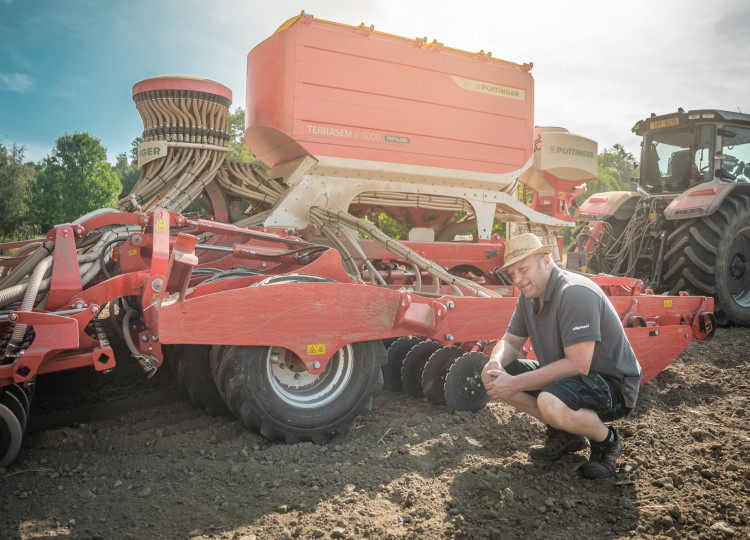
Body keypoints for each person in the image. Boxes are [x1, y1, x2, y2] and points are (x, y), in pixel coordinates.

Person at [482, 233, 641, 479]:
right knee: (493, 375)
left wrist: (514, 384)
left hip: (611, 385)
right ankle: (567, 433)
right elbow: (510, 342)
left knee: (549, 401)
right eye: (512, 273)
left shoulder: (574, 293)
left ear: (546, 261)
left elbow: (578, 363)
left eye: (523, 269)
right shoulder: (529, 297)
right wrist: (495, 361)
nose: (517, 279)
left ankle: (607, 441)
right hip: (571, 377)